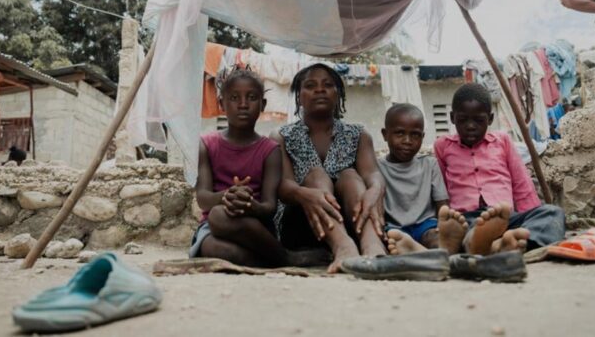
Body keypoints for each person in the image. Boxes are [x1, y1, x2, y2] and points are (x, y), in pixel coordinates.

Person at [191, 67, 325, 267]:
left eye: (251, 97)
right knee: (213, 235)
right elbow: (203, 199)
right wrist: (226, 196)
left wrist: (250, 206)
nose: (243, 105)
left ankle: (280, 257)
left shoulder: (270, 150)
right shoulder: (206, 145)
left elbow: (270, 207)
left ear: (262, 105)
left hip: (256, 228)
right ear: (221, 104)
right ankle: (281, 259)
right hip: (214, 227)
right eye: (234, 98)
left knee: (219, 217)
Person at [271, 63, 386, 273]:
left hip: (353, 221)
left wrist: (375, 190)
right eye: (310, 85)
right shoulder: (282, 136)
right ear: (299, 97)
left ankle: (373, 247)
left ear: (338, 93)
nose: (320, 89)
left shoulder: (358, 134)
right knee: (316, 175)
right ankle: (344, 248)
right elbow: (283, 185)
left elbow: (372, 174)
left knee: (350, 176)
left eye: (327, 85)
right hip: (300, 223)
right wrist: (304, 194)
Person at [433, 83, 566, 255]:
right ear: (452, 118)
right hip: (465, 219)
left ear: (490, 118)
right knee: (462, 230)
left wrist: (526, 217)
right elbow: (440, 189)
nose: (471, 126)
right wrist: (441, 220)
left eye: (479, 120)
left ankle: (503, 242)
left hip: (505, 218)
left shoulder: (502, 141)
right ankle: (484, 241)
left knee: (552, 213)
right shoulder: (443, 146)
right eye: (463, 119)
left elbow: (521, 185)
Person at [377, 104, 469, 256]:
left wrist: (444, 224)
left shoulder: (429, 164)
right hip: (394, 228)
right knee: (391, 240)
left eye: (415, 135)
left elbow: (442, 204)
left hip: (425, 225)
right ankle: (428, 253)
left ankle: (429, 250)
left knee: (435, 238)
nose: (407, 140)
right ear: (385, 134)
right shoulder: (377, 167)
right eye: (400, 133)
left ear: (423, 137)